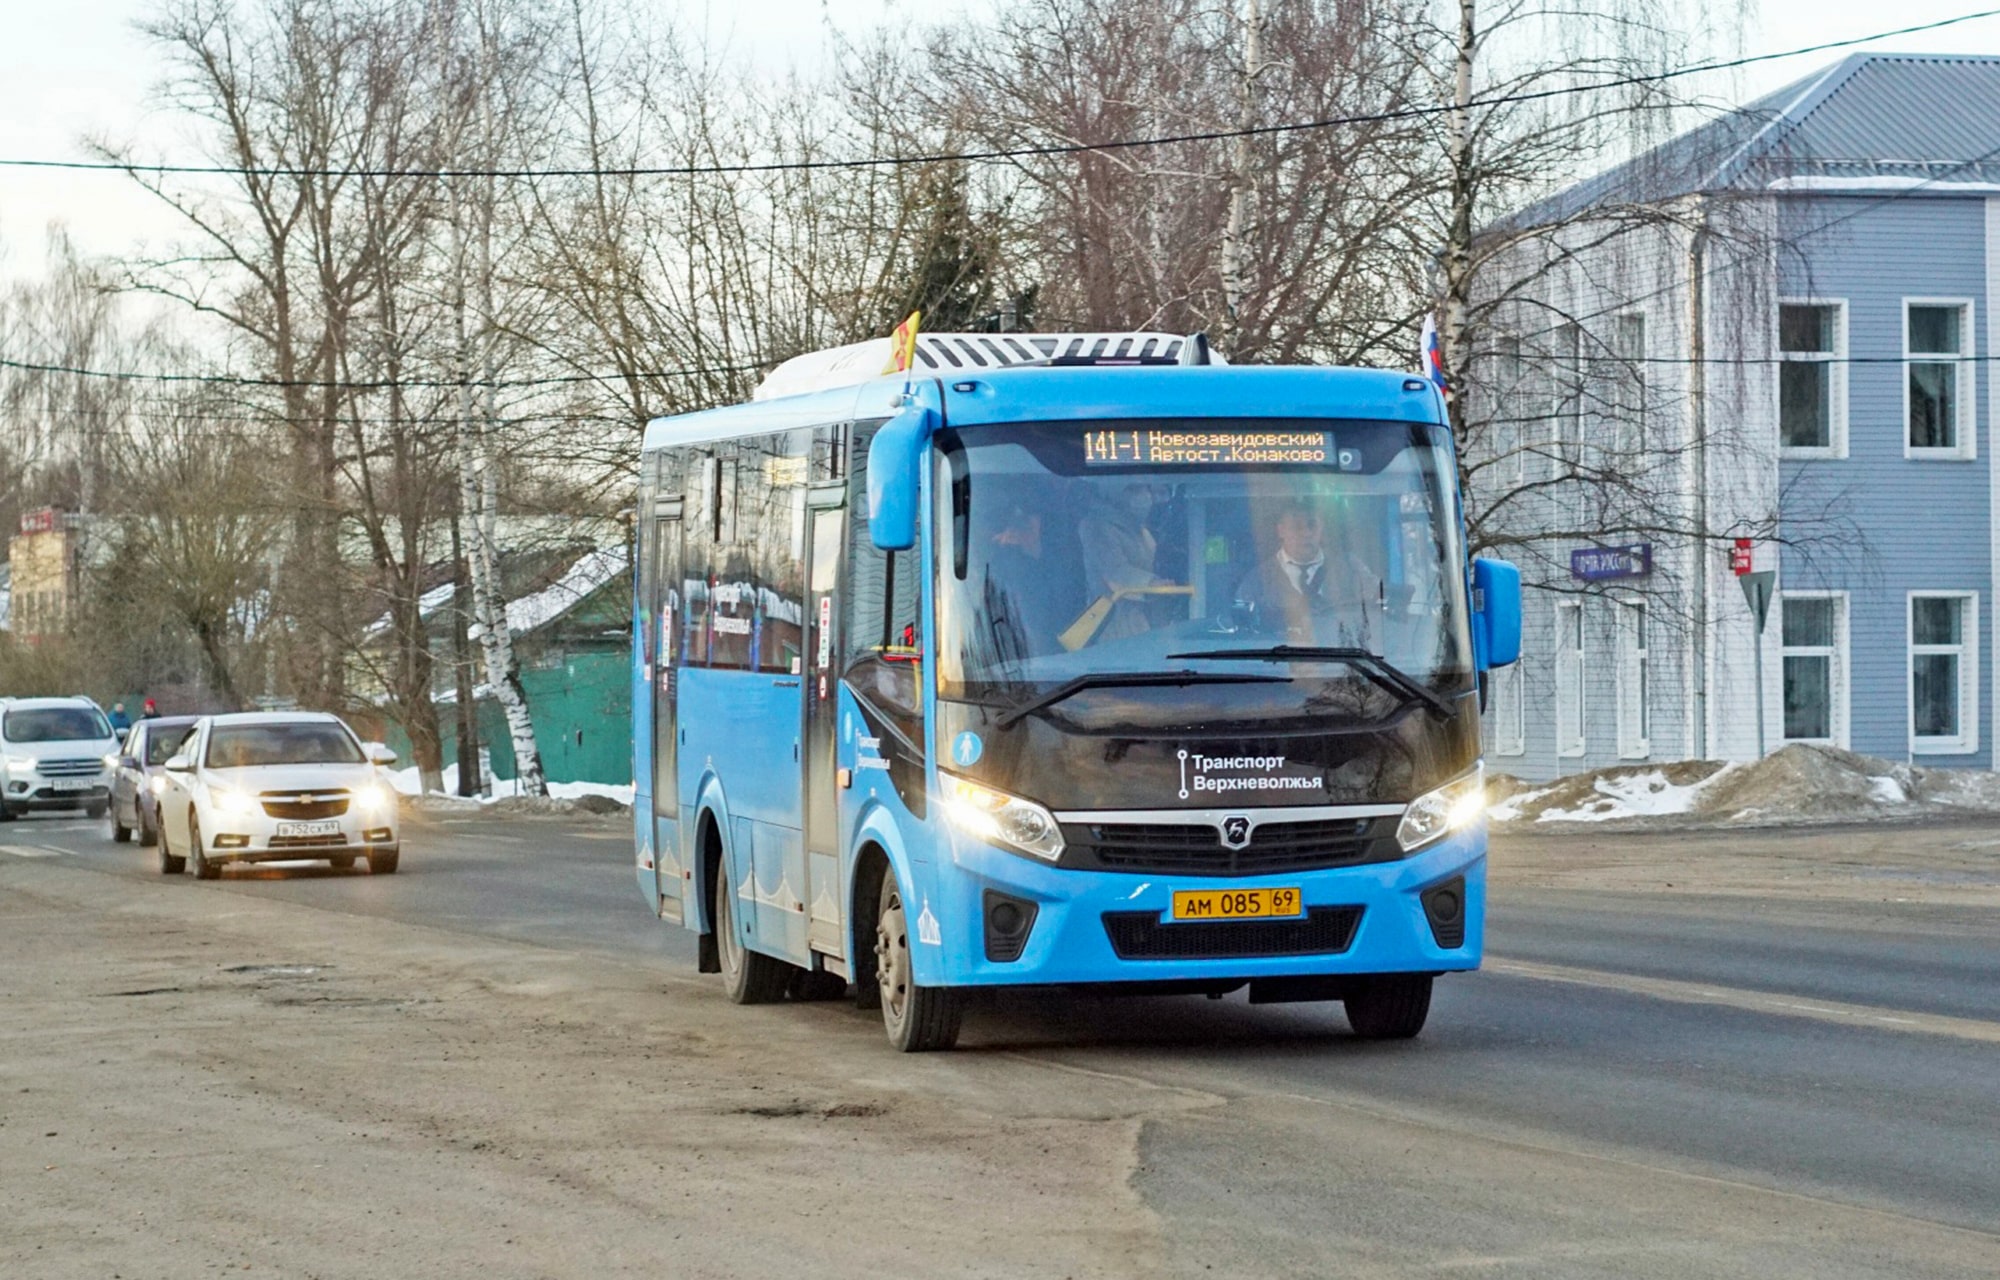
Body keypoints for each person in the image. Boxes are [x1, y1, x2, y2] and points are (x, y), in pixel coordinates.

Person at [1233, 500, 1375, 647]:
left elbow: (1376, 606)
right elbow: (1243, 630)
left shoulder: (1351, 568)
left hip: (1341, 659)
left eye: (1312, 525)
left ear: (1321, 529)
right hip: (1276, 661)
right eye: (1296, 527)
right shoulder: (1257, 579)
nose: (1306, 533)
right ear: (1281, 530)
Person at [1074, 483, 1164, 644]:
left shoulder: (1140, 529)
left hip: (1145, 622)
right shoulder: (1095, 526)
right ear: (1112, 493)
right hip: (1113, 626)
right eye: (1134, 489)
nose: (1146, 496)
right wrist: (1152, 583)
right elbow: (1114, 573)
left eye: (1148, 489)